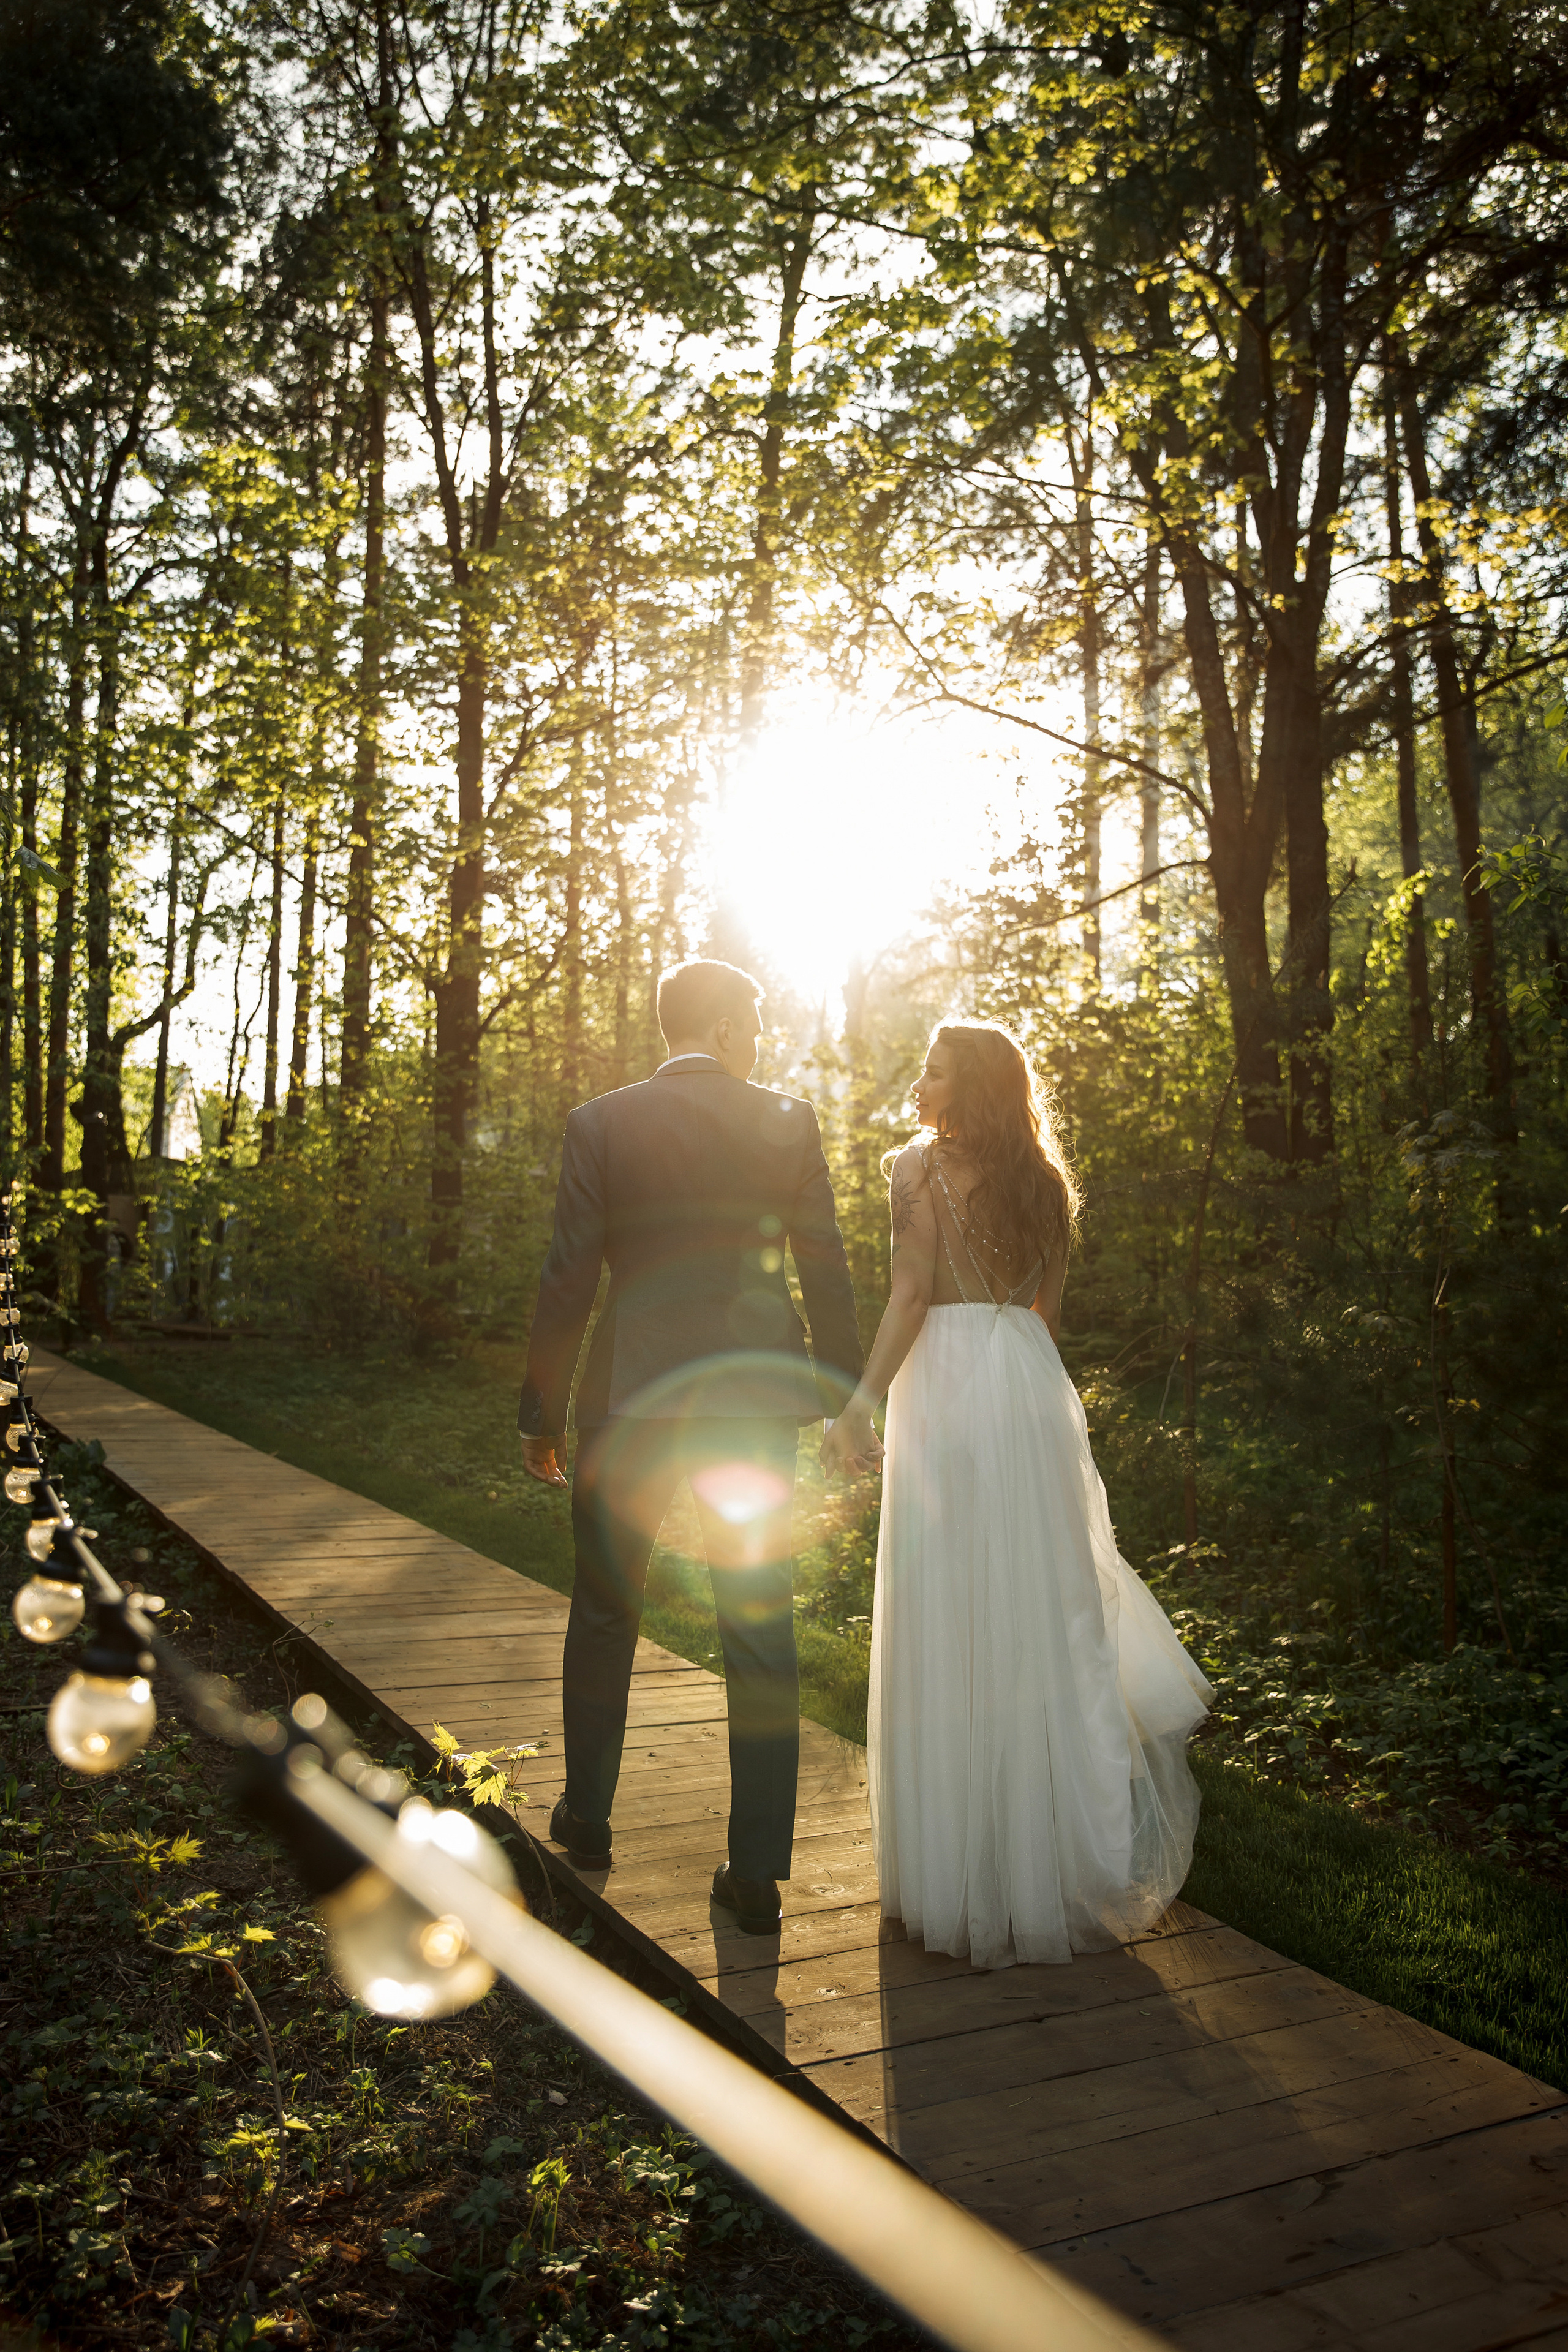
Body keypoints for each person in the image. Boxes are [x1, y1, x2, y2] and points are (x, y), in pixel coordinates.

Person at [821, 1020, 1211, 1970]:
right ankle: (1048, 1863)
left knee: (952, 1611)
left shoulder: (915, 1168)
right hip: (1030, 1387)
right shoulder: (1046, 1182)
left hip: (948, 1387)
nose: (918, 1084)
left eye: (934, 1070)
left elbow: (910, 1295)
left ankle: (958, 1874)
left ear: (972, 1089)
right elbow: (1048, 1315)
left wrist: (857, 1406)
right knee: (1040, 1614)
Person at [519, 960, 864, 1937]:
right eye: (751, 1022)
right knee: (758, 1624)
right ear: (717, 1021)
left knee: (604, 1607)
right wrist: (846, 1402)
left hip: (630, 1401)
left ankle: (587, 1820)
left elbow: (567, 1276)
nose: (757, 1041)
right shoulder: (788, 1123)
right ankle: (755, 1873)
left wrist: (539, 1411)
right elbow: (825, 1273)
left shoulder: (603, 1123)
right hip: (752, 1412)